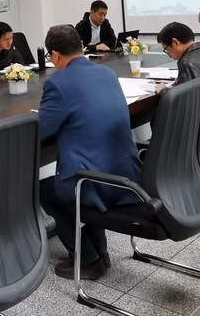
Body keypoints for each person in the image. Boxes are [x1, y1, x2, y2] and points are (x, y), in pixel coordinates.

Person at [38, 25, 141, 280]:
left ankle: (87, 259)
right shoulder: (107, 73)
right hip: (125, 173)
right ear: (81, 46)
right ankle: (100, 252)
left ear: (55, 54)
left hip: (94, 181)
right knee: (79, 172)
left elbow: (41, 131)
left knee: (45, 191)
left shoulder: (58, 83)